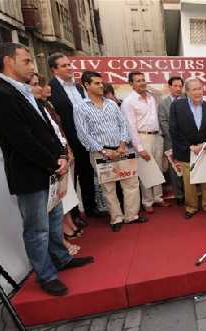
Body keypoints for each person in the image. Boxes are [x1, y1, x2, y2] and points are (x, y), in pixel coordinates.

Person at [0, 43, 93, 296]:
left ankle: (60, 258)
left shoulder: (24, 93)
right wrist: (53, 161)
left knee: (55, 220)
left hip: (49, 171)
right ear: (8, 61)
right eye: (26, 61)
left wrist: (59, 155)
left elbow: (46, 128)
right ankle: (45, 275)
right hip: (30, 175)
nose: (32, 66)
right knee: (37, 229)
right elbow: (21, 140)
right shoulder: (0, 95)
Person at [74, 71, 148, 231]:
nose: (101, 86)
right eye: (96, 83)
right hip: (99, 153)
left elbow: (123, 125)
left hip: (122, 150)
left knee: (131, 183)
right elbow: (83, 134)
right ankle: (116, 218)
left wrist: (122, 145)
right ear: (86, 85)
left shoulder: (112, 104)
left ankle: (132, 216)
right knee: (108, 188)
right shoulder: (80, 107)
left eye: (101, 83)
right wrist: (103, 151)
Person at [29, 73, 83, 255]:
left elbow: (58, 132)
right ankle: (62, 242)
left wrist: (66, 152)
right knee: (52, 206)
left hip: (59, 157)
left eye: (40, 84)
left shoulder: (46, 106)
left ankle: (67, 229)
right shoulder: (32, 107)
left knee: (63, 198)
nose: (44, 88)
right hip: (45, 164)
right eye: (37, 84)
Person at [48, 53, 100, 221]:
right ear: (54, 70)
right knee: (70, 180)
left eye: (69, 64)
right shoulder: (51, 88)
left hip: (85, 139)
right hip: (67, 143)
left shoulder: (78, 87)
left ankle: (91, 208)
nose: (69, 68)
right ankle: (74, 215)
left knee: (87, 174)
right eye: (64, 66)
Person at [121, 71, 170, 213]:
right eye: (138, 80)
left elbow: (161, 94)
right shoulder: (128, 102)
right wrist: (139, 148)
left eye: (143, 80)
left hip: (157, 137)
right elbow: (130, 127)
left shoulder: (151, 97)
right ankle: (147, 201)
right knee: (146, 169)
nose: (142, 83)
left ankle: (158, 198)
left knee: (158, 168)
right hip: (142, 138)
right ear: (131, 84)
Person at [169, 77, 206, 219]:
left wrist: (204, 145)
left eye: (200, 89)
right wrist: (190, 147)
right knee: (189, 181)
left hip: (204, 149)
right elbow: (174, 130)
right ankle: (191, 207)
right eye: (194, 89)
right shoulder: (177, 106)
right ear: (187, 92)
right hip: (186, 150)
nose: (198, 92)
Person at [158, 76, 185, 206]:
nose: (178, 88)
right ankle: (179, 195)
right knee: (174, 170)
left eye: (180, 86)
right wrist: (174, 137)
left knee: (186, 168)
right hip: (171, 141)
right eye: (175, 86)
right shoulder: (163, 103)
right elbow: (163, 121)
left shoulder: (187, 100)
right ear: (169, 87)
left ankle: (188, 193)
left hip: (187, 142)